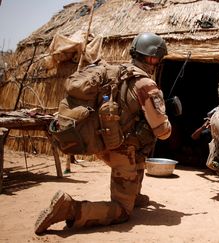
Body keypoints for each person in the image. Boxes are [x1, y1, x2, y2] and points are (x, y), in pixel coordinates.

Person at [35, 32, 172, 234]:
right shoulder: (146, 84)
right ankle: (70, 208)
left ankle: (134, 193)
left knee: (140, 144)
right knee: (122, 211)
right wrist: (167, 122)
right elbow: (162, 132)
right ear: (153, 58)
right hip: (121, 152)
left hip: (103, 142)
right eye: (158, 58)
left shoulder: (114, 72)